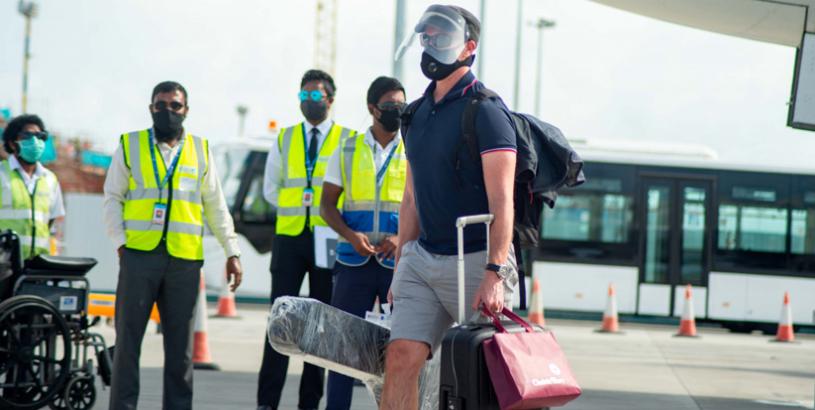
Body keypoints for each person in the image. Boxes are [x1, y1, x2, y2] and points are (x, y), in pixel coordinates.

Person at [381, 5, 519, 409]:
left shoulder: (487, 112)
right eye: (425, 36)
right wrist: (402, 264)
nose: (429, 45)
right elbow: (411, 198)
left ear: (468, 48)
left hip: (476, 261)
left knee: (479, 378)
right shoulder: (416, 114)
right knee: (399, 358)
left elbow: (502, 201)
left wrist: (494, 273)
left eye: (440, 37)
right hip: (422, 260)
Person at [103, 81, 243, 410]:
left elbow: (216, 206)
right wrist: (122, 244)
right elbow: (112, 198)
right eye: (160, 105)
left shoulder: (201, 149)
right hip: (139, 258)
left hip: (184, 261)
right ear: (151, 108)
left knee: (180, 351)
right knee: (127, 345)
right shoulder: (130, 144)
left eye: (175, 106)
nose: (167, 111)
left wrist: (232, 251)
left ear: (186, 110)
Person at [258, 69, 355, 410]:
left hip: (329, 239)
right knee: (279, 320)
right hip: (290, 238)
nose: (309, 102)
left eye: (316, 96)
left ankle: (309, 402)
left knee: (320, 326)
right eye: (304, 96)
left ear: (330, 98)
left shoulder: (347, 139)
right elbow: (271, 189)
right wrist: (299, 201)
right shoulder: (285, 138)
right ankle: (267, 401)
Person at [320, 76, 407, 410]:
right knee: (343, 349)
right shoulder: (346, 149)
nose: (396, 111)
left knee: (400, 351)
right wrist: (350, 236)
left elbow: (428, 206)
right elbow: (327, 205)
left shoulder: (413, 150)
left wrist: (401, 238)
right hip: (353, 261)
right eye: (389, 106)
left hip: (397, 266)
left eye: (401, 105)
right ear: (372, 109)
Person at [0, 114, 64, 259]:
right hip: (4, 264)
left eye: (39, 136)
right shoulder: (1, 174)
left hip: (38, 265)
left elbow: (52, 221)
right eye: (27, 136)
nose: (34, 141)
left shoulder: (50, 179)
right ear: (12, 143)